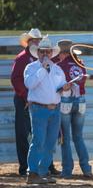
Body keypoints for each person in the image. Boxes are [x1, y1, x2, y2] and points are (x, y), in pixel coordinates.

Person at [11, 28, 59, 177]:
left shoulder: (42, 60)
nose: (37, 42)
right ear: (29, 42)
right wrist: (27, 97)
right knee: (24, 133)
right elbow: (16, 80)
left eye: (38, 40)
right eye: (34, 40)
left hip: (38, 100)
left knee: (41, 135)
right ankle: (25, 167)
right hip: (24, 100)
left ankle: (46, 166)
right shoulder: (21, 59)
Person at [24, 36, 71, 184]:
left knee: (50, 142)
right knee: (38, 140)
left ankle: (42, 172)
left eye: (48, 52)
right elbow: (29, 84)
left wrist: (66, 89)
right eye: (42, 51)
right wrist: (42, 70)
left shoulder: (57, 69)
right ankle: (32, 172)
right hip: (38, 108)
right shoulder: (31, 68)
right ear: (37, 52)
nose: (45, 54)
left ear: (51, 53)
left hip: (54, 109)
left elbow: (64, 91)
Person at [57, 39, 93, 179]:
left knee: (65, 138)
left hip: (66, 101)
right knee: (78, 137)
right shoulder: (81, 65)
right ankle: (86, 168)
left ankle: (67, 170)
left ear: (62, 53)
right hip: (81, 101)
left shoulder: (59, 66)